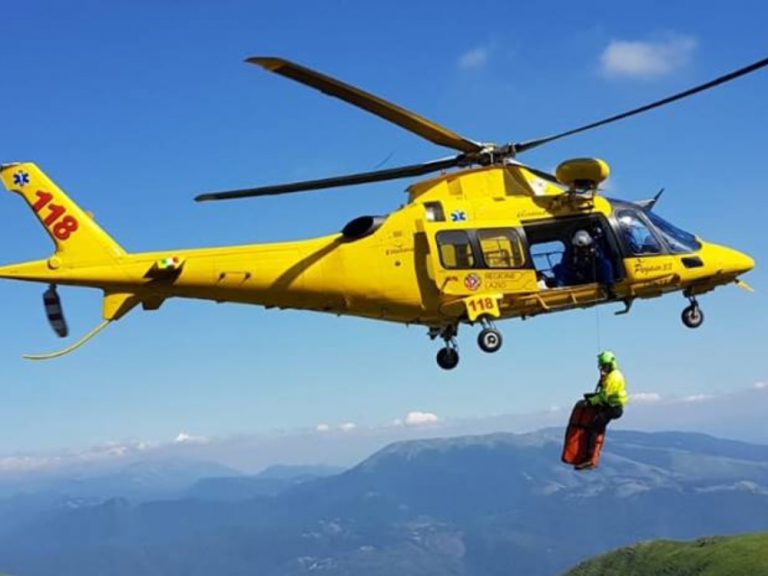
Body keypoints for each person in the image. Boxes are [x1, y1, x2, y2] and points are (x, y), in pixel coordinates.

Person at [576, 350, 628, 470]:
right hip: (612, 406)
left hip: (613, 408)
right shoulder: (613, 375)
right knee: (597, 426)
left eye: (604, 366)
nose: (603, 368)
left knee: (593, 428)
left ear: (610, 364)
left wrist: (590, 402)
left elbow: (604, 396)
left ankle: (589, 459)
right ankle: (591, 457)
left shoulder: (612, 378)